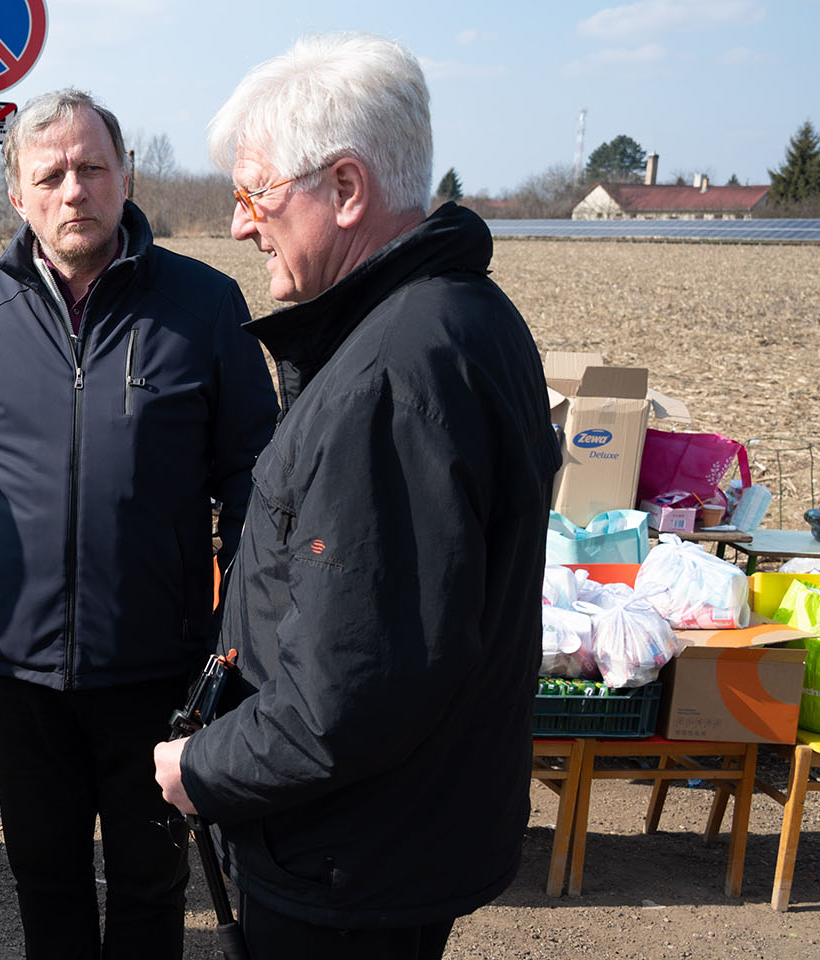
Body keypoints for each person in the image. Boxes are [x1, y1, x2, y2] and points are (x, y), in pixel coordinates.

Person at [150, 34, 561, 958]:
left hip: (348, 856)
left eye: (255, 195)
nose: (240, 225)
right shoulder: (456, 318)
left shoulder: (392, 372)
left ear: (345, 190)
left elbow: (354, 689)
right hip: (387, 836)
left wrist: (202, 767)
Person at [0, 88, 279, 960]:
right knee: (44, 872)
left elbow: (258, 483)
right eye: (51, 174)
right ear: (19, 197)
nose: (75, 190)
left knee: (151, 880)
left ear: (125, 175)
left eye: (92, 168)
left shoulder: (204, 307)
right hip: (19, 663)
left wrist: (243, 638)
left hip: (160, 664)